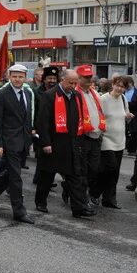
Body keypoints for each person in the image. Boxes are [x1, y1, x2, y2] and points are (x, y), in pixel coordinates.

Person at [34, 69, 94, 217]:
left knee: (75, 176)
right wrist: (45, 143)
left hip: (71, 143)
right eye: (70, 83)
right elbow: (42, 122)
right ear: (62, 80)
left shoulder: (77, 95)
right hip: (53, 143)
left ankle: (79, 208)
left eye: (75, 83)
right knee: (47, 176)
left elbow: (78, 119)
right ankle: (40, 201)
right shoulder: (49, 96)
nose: (73, 86)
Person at [0, 64, 35, 224]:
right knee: (16, 177)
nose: (17, 79)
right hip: (9, 142)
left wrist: (29, 140)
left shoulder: (27, 93)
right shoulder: (1, 94)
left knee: (10, 174)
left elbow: (27, 118)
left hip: (23, 141)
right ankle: (19, 211)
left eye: (20, 76)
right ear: (9, 77)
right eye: (14, 76)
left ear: (25, 77)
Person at [95, 76, 132, 209]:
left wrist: (128, 116)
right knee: (108, 168)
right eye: (118, 85)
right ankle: (94, 193)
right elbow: (97, 116)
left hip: (120, 139)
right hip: (106, 138)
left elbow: (125, 115)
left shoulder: (123, 99)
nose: (119, 88)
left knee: (114, 171)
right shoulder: (103, 99)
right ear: (112, 85)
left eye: (123, 87)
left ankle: (109, 199)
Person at [75, 64, 106, 207]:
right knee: (83, 169)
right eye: (85, 78)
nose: (89, 80)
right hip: (82, 136)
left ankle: (88, 192)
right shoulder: (75, 94)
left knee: (94, 169)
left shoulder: (95, 93)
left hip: (96, 135)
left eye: (90, 77)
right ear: (78, 78)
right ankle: (82, 196)